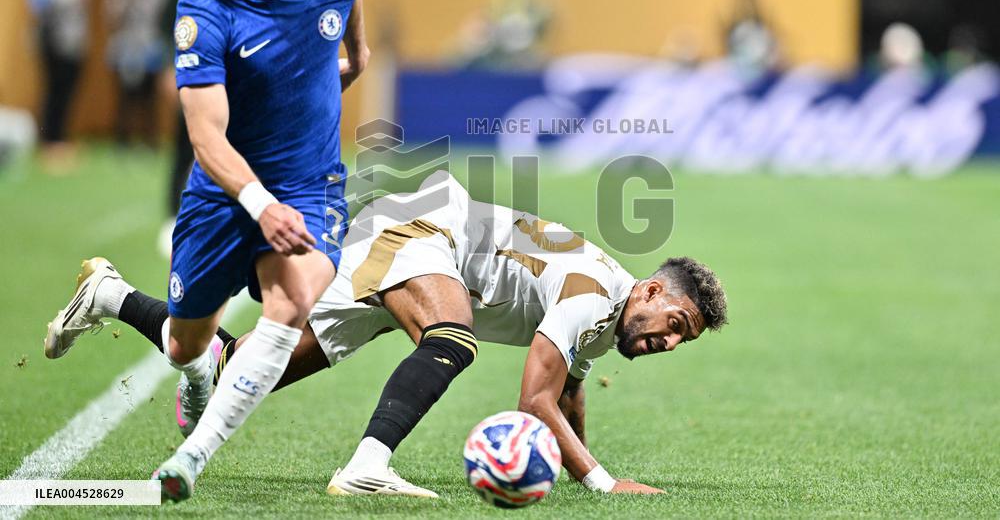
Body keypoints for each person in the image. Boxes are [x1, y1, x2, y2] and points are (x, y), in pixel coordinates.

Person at [45, 171, 728, 498]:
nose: (668, 344)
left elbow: (568, 390)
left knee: (239, 371)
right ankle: (367, 466)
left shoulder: (610, 317)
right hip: (426, 231)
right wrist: (604, 483)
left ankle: (108, 295)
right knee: (452, 338)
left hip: (418, 250)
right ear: (651, 291)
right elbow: (534, 400)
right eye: (675, 326)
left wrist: (577, 466)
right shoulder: (594, 292)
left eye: (682, 342)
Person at [44, 0, 368, 502]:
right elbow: (206, 138)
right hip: (223, 197)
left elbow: (350, 10)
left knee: (292, 302)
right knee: (185, 344)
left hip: (311, 189)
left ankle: (189, 459)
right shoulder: (206, 10)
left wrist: (353, 60)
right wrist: (261, 204)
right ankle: (113, 299)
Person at [157, 0, 233, 257]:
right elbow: (164, 25)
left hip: (234, 78)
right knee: (184, 144)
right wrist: (167, 68)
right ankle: (173, 216)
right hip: (193, 74)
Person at [26, 0, 91, 172]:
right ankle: (49, 140)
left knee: (68, 92)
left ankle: (61, 138)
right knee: (53, 91)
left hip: (74, 43)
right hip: (53, 42)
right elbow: (39, 5)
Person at [103, 0, 166, 147]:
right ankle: (122, 138)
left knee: (149, 98)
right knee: (125, 97)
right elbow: (111, 18)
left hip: (149, 49)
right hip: (124, 49)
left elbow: (162, 17)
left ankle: (149, 138)